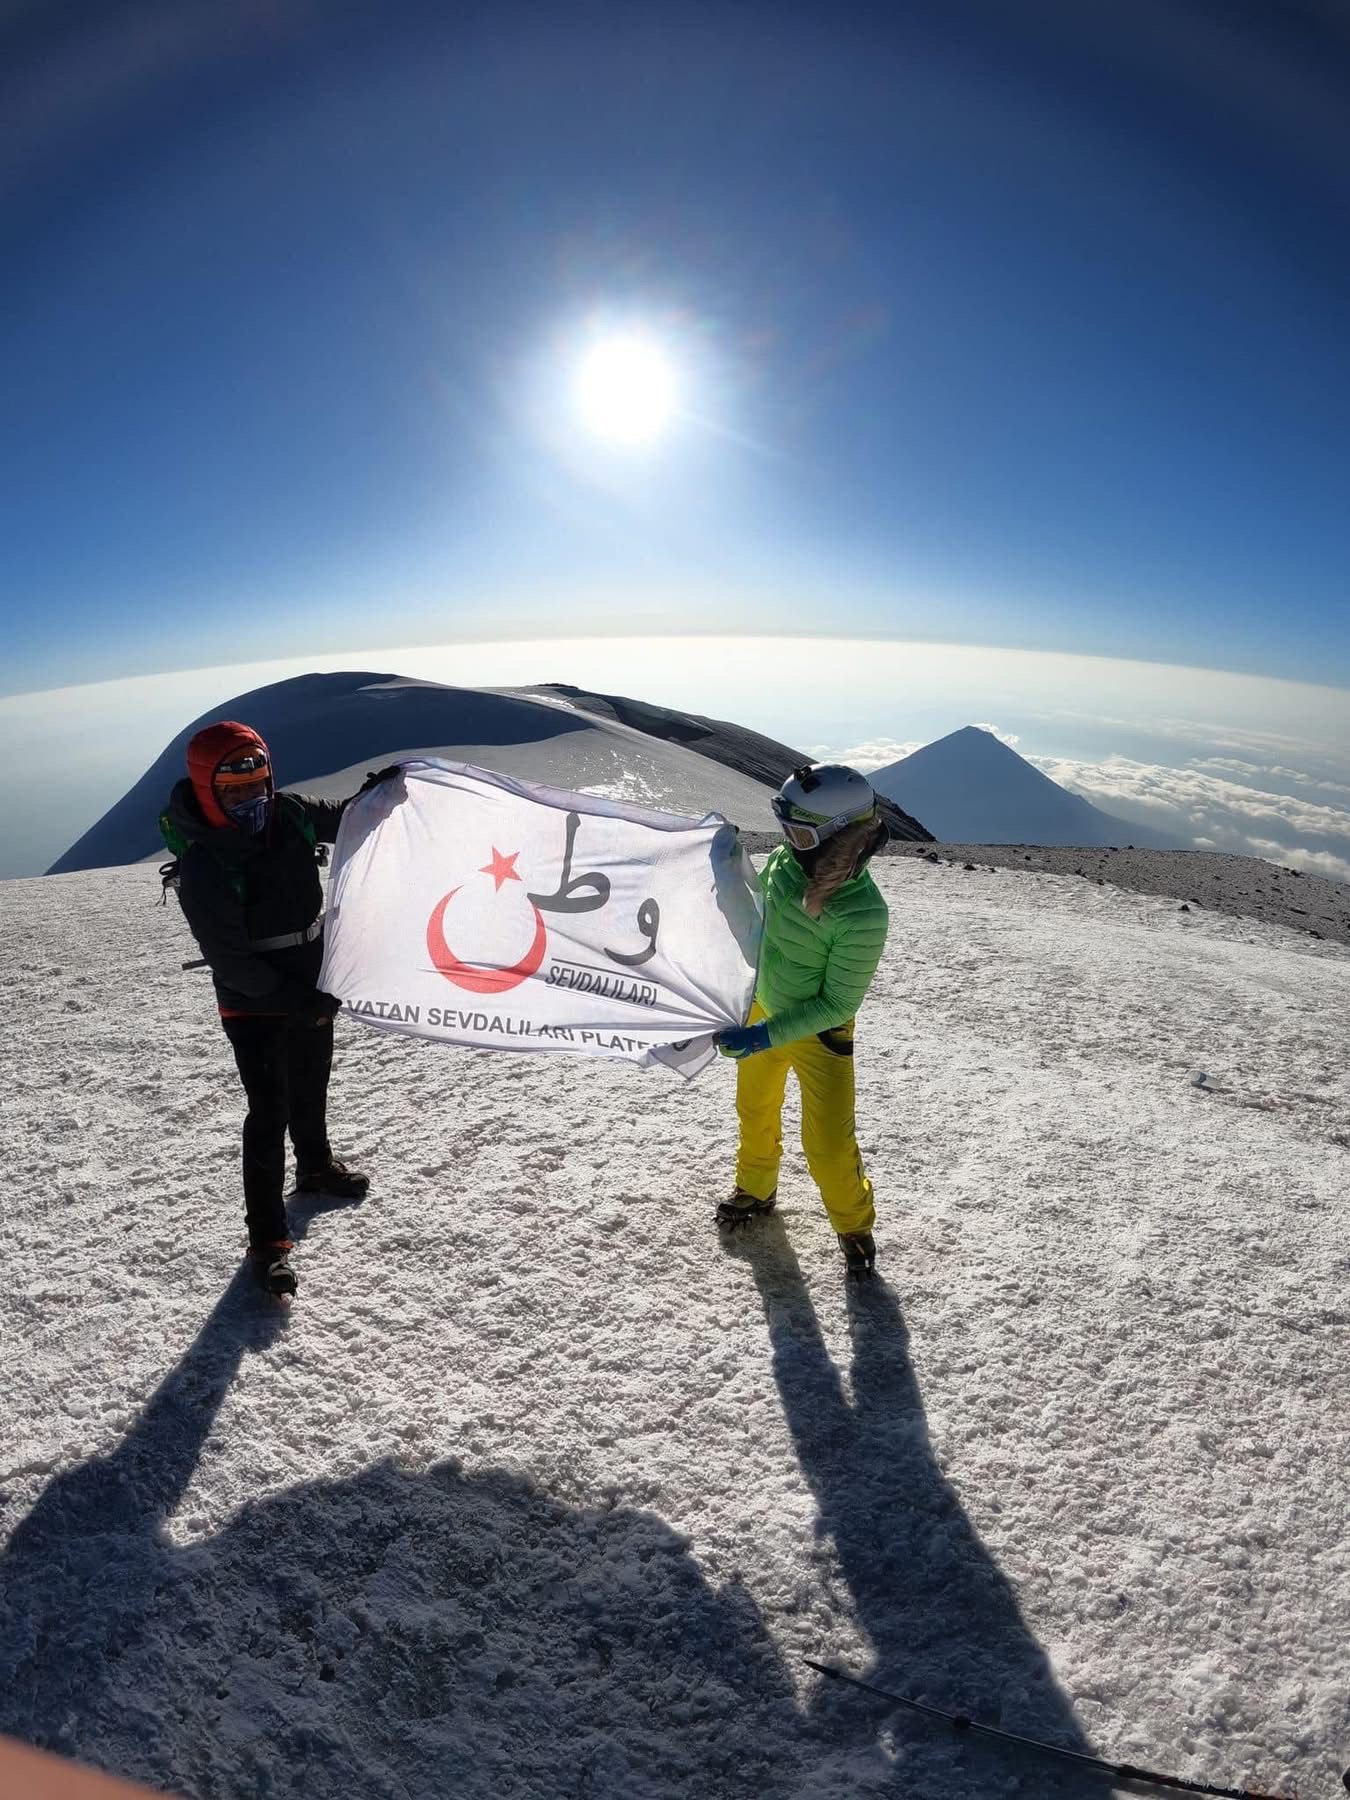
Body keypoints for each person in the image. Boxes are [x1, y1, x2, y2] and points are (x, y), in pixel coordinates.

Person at [161, 721, 397, 1296]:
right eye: (234, 791)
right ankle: (267, 1240)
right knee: (269, 1111)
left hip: (310, 975)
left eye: (256, 784)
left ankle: (314, 1168)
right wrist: (301, 999)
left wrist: (381, 793)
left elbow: (344, 817)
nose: (250, 800)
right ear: (208, 789)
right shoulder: (203, 864)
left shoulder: (288, 812)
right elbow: (232, 961)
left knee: (311, 1078)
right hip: (253, 1000)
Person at [714, 763, 891, 1279]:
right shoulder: (786, 863)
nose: (788, 842)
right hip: (763, 1011)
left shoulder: (863, 913)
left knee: (829, 1146)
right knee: (755, 1110)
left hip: (818, 1035)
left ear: (838, 837)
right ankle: (755, 1190)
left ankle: (854, 1227)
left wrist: (762, 1034)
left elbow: (838, 1005)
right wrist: (728, 866)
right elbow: (760, 917)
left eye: (798, 832)